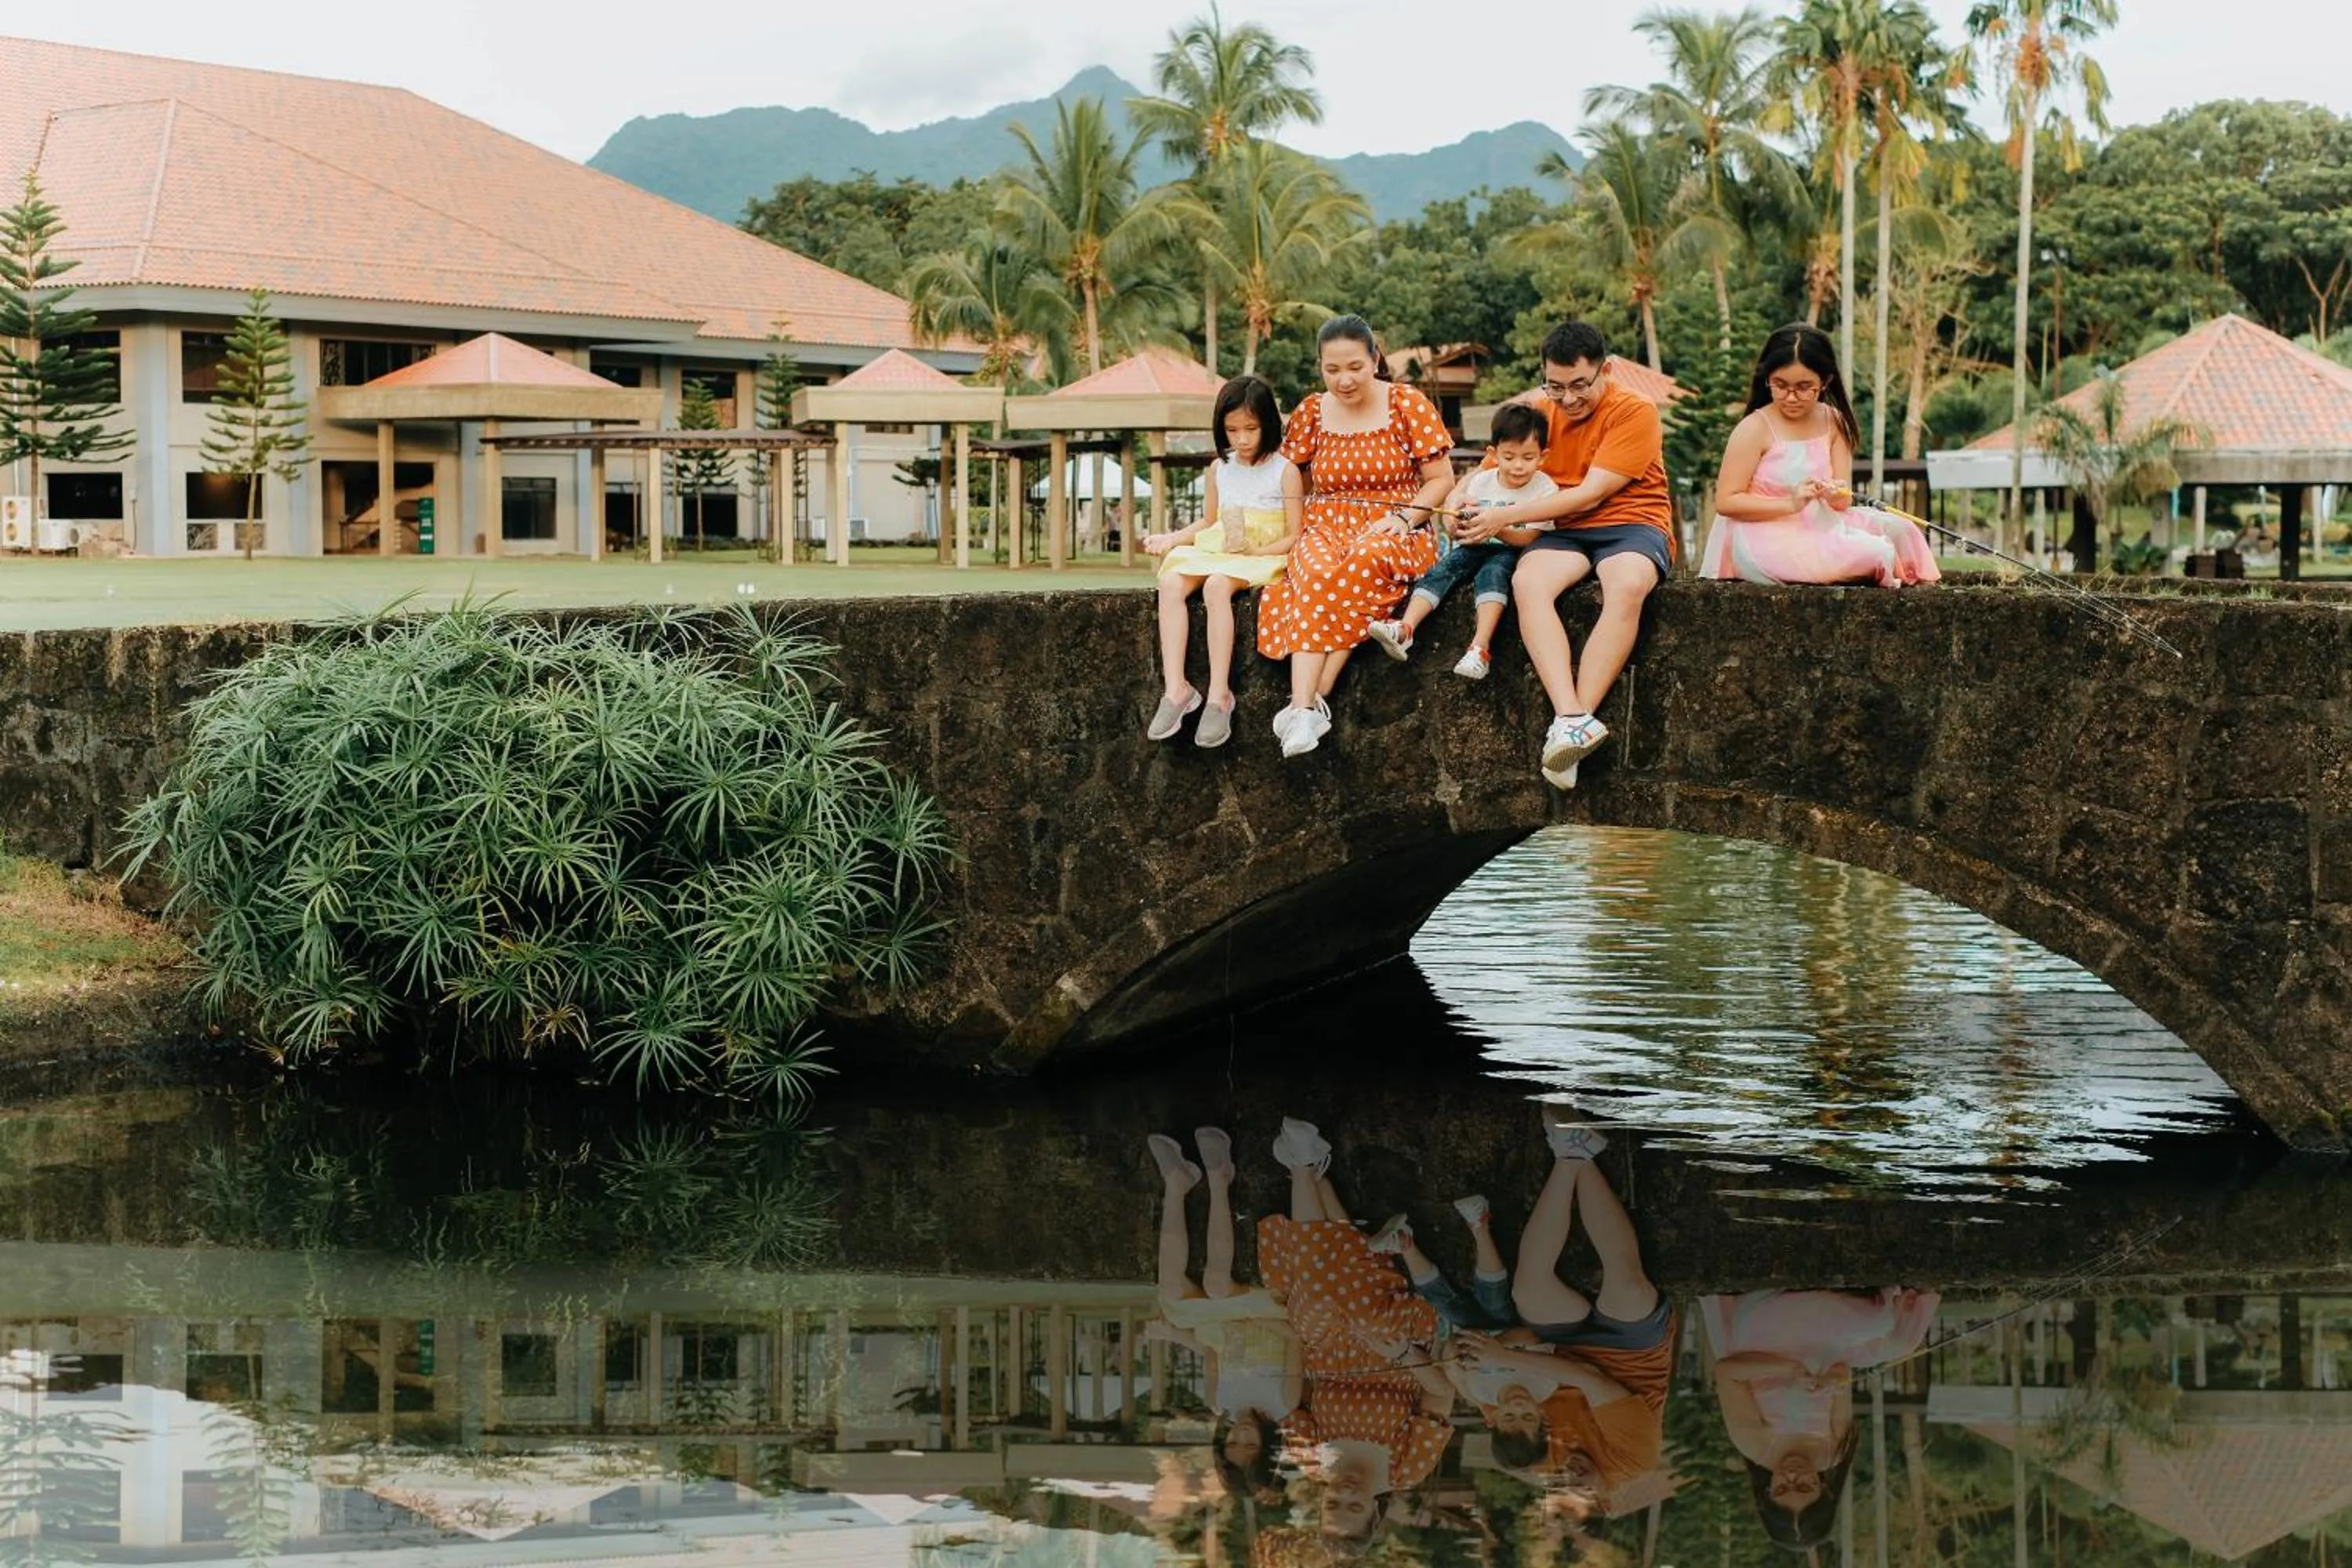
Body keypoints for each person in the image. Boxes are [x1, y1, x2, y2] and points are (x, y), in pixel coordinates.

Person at [1446, 323, 1675, 791]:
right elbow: (1484, 471)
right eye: (1555, 386)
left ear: (1604, 371)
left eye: (1579, 385)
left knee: (1628, 584)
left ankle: (1571, 725)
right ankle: (1570, 716)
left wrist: (1504, 516)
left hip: (1631, 522)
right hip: (1561, 528)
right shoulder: (1538, 411)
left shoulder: (1635, 410)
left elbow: (1592, 494)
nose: (1568, 399)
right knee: (1528, 583)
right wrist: (1457, 503)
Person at [1255, 317, 1457, 759]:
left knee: (1364, 560)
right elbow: (1292, 477)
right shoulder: (1311, 411)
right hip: (1324, 523)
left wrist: (1404, 519)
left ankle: (1306, 702)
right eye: (1332, 370)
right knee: (1315, 572)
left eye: (1354, 368)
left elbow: (1441, 479)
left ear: (1375, 360)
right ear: (1320, 366)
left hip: (1396, 524)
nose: (1343, 380)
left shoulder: (1406, 403)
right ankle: (1307, 709)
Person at [1254, 1116, 1455, 1540]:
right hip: (1396, 1346)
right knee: (1356, 1306)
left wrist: (1298, 1335)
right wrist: (1404, 1353)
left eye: (1332, 1505)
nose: (1344, 1494)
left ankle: (1308, 1169)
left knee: (1314, 1295)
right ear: (1374, 1513)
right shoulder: (1406, 1469)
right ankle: (1306, 1169)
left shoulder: (1311, 1463)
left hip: (1325, 1346)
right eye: (1355, 1507)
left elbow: (1291, 1402)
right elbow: (1441, 1393)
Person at [1699, 323, 1943, 588]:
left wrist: (1835, 494)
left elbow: (1843, 500)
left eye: (1804, 387)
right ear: (1767, 379)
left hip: (1822, 524)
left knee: (1904, 531)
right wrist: (1790, 504)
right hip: (1764, 535)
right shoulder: (1754, 428)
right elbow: (1727, 501)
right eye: (1780, 386)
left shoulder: (1834, 422)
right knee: (1876, 553)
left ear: (1824, 382)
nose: (1791, 397)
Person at [1703, 1287, 1940, 1553]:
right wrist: (1833, 1381)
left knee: (1878, 1323)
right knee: (1900, 1342)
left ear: (1768, 1492)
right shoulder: (1833, 1450)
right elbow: (1842, 1370)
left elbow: (1727, 1372)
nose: (1791, 1475)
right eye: (1804, 1486)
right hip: (1822, 1348)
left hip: (1763, 1339)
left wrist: (1787, 1369)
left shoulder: (1754, 1445)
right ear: (1824, 1490)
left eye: (1782, 1488)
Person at [1145, 376, 1303, 749]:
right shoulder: (1220, 468)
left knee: (1217, 585)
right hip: (1222, 545)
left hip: (1262, 552)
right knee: (1170, 581)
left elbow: (1295, 534)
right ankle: (1177, 689)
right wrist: (1171, 538)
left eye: (1251, 429)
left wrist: (1256, 553)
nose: (1242, 439)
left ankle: (1219, 694)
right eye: (1232, 430)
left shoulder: (1285, 470)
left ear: (1268, 424)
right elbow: (1208, 521)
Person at [1147, 1127, 1300, 1505]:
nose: (1241, 1434)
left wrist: (1171, 1336)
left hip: (1225, 1322)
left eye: (1233, 1442)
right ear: (1267, 1445)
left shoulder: (1221, 1401)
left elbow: (1211, 1351)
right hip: (1267, 1315)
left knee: (1172, 1290)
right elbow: (1299, 1339)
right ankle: (1219, 1178)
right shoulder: (1284, 1402)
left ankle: (1176, 1184)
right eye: (1250, 1444)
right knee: (1216, 1285)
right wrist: (1255, 1323)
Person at [1366, 403, 1560, 681]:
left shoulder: (1545, 488)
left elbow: (1530, 537)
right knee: (1443, 569)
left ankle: (1479, 648)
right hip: (1474, 546)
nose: (1518, 466)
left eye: (1528, 458)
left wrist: (1496, 527)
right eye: (1509, 457)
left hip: (1511, 551)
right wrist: (1460, 524)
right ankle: (1405, 628)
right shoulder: (1481, 482)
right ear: (1493, 454)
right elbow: (1459, 522)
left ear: (1543, 456)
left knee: (1492, 574)